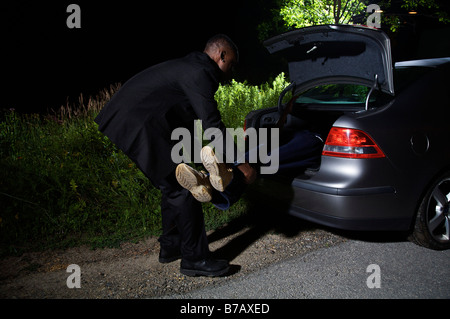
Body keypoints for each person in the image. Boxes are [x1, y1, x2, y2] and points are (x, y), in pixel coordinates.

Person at [95, 34, 257, 277]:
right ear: (221, 55)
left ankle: (171, 247)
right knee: (185, 187)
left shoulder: (192, 68)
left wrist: (195, 159)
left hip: (139, 121)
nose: (231, 72)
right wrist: (240, 163)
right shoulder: (200, 72)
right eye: (231, 64)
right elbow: (212, 124)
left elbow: (188, 124)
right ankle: (195, 259)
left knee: (174, 181)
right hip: (138, 123)